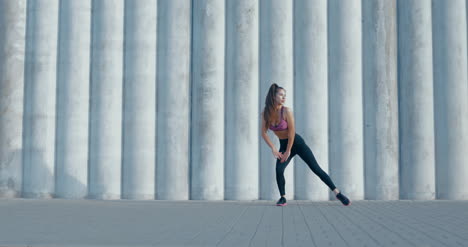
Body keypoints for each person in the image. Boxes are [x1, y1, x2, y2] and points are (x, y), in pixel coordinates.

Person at [261, 83, 351, 206]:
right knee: (279, 170)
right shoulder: (266, 113)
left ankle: (338, 193)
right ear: (273, 96)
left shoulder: (286, 111)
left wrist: (288, 151)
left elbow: (292, 132)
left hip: (297, 143)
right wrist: (274, 149)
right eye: (281, 94)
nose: (283, 97)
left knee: (315, 168)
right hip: (283, 144)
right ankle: (283, 197)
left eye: (285, 95)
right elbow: (264, 133)